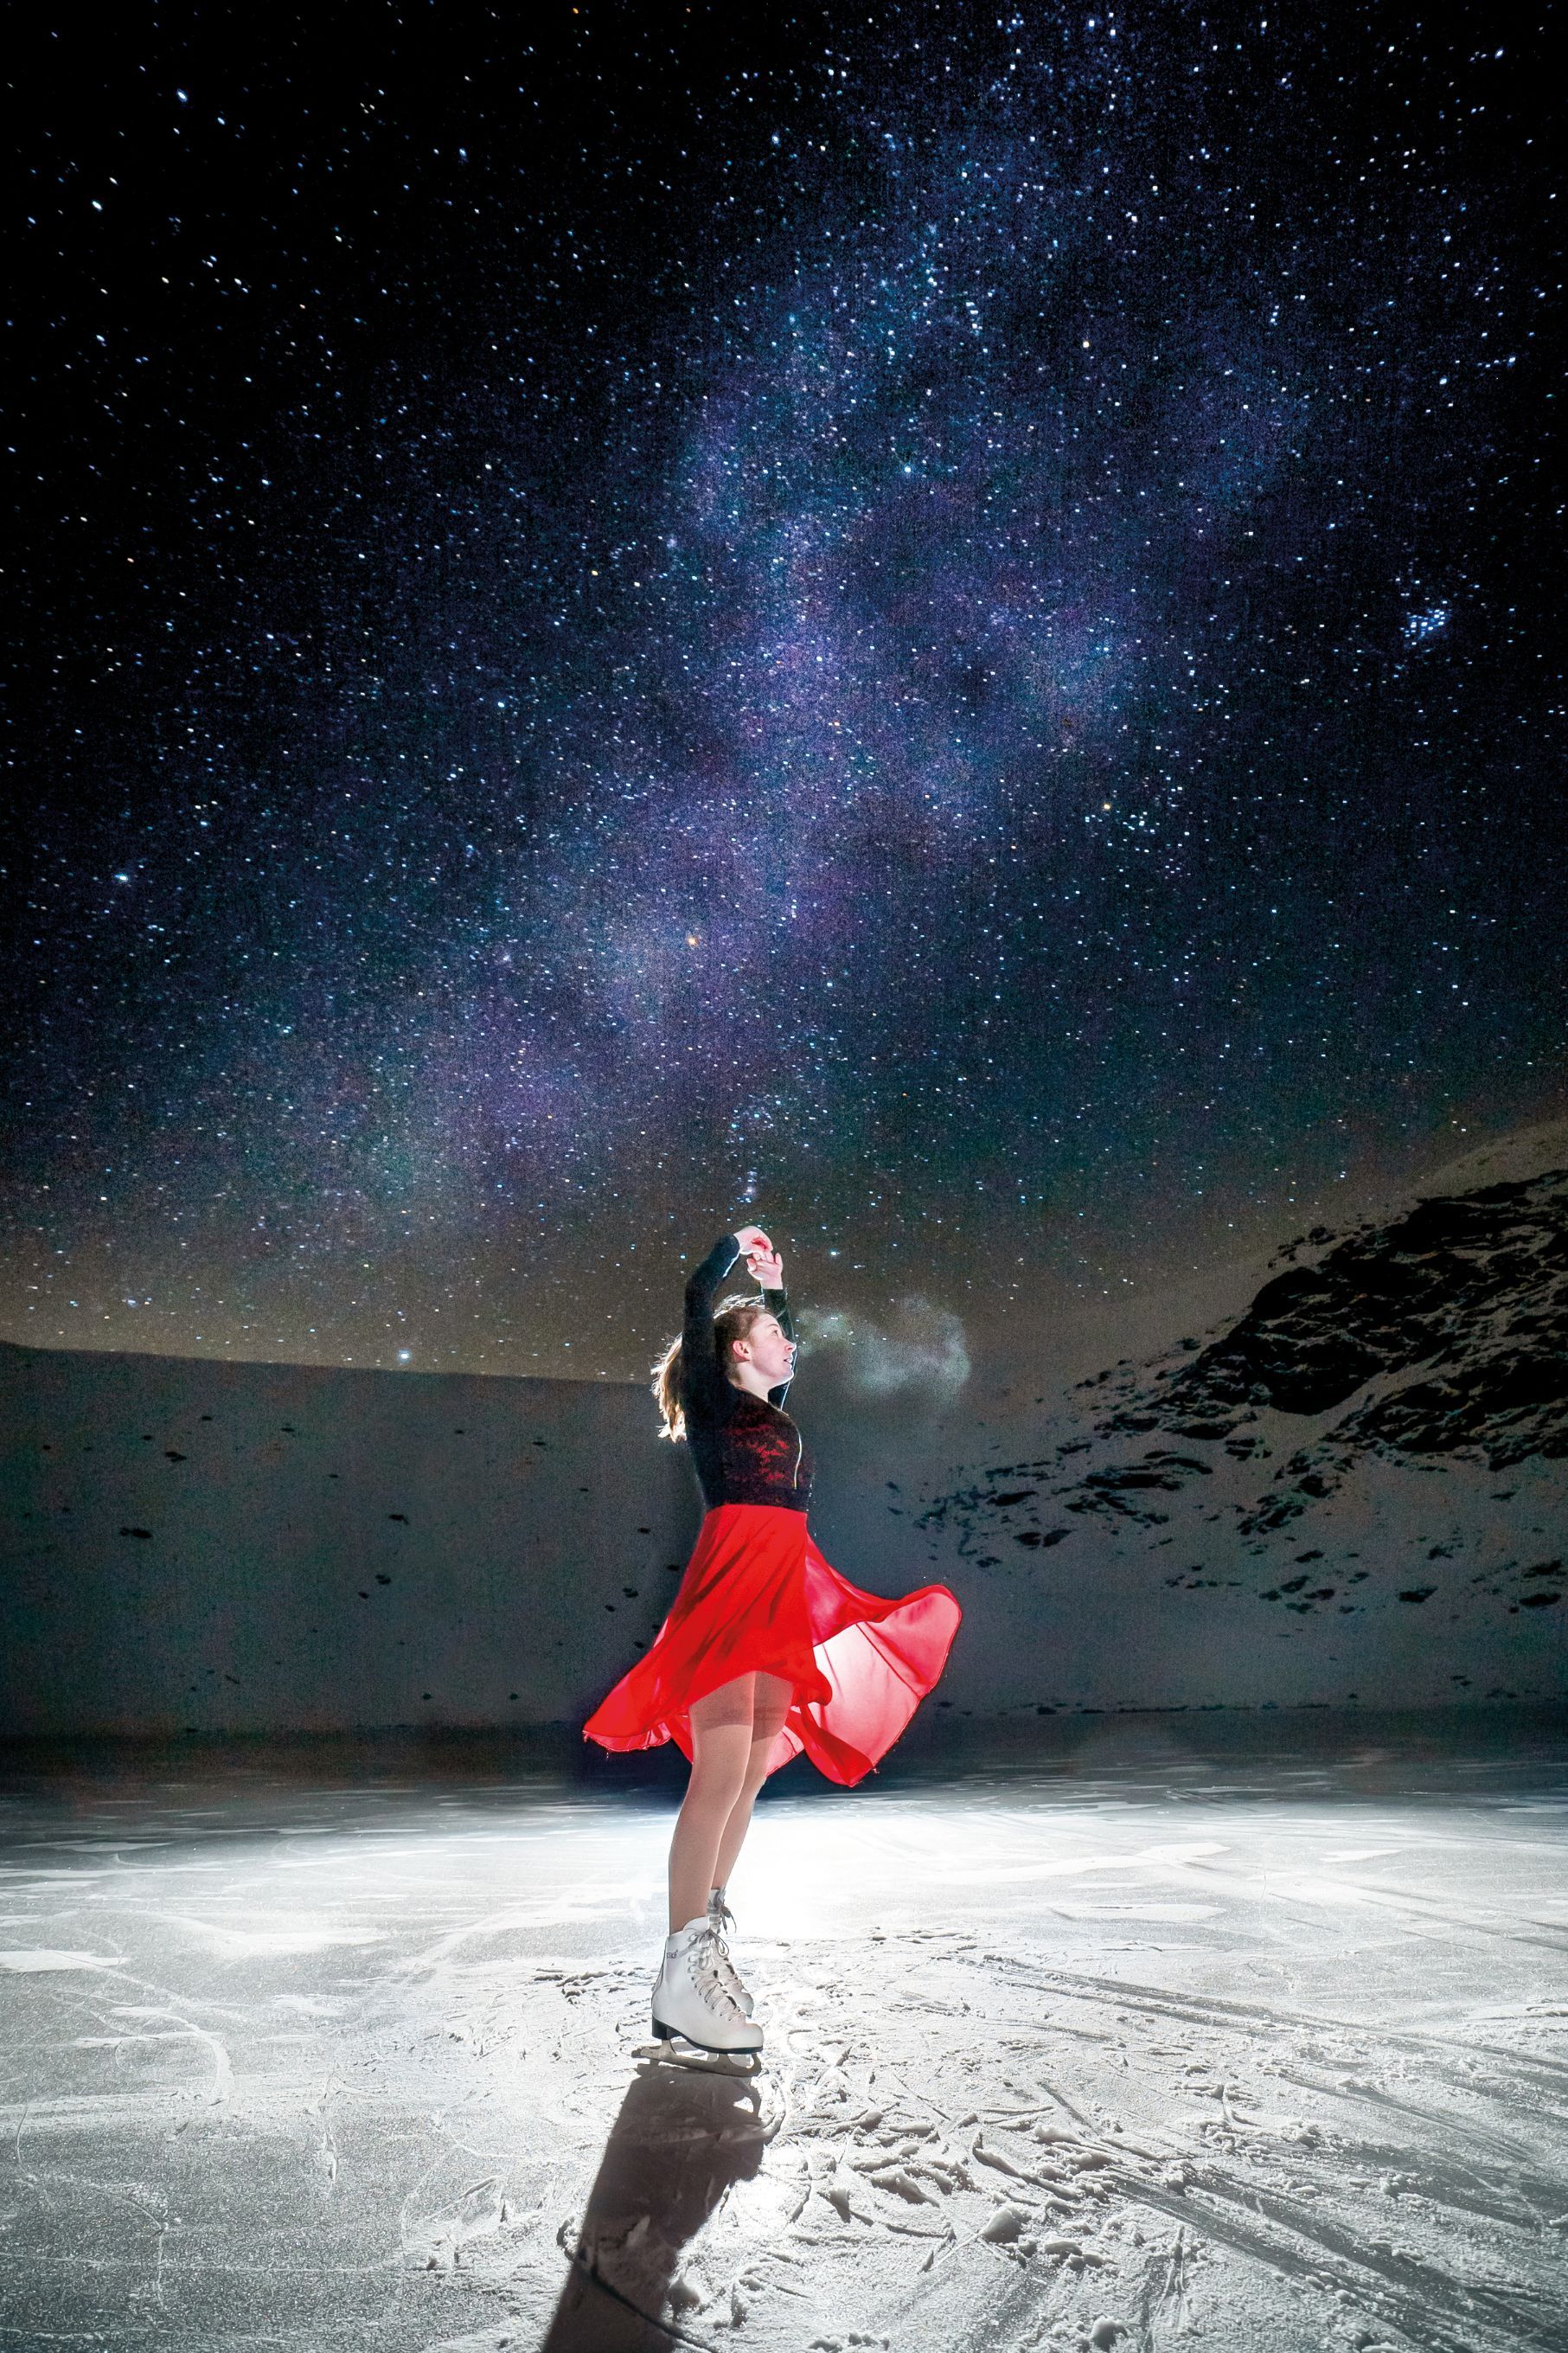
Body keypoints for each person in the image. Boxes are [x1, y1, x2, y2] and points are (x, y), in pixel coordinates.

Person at [583, 1222, 963, 2055]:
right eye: (774, 1336)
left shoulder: (769, 1410)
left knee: (751, 1770)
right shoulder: (719, 1409)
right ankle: (682, 1968)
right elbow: (694, 1299)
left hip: (779, 1596)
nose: (788, 1345)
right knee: (720, 1773)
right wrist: (731, 1254)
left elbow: (784, 1359)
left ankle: (706, 1942)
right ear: (734, 1354)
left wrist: (779, 1290)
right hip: (731, 1593)